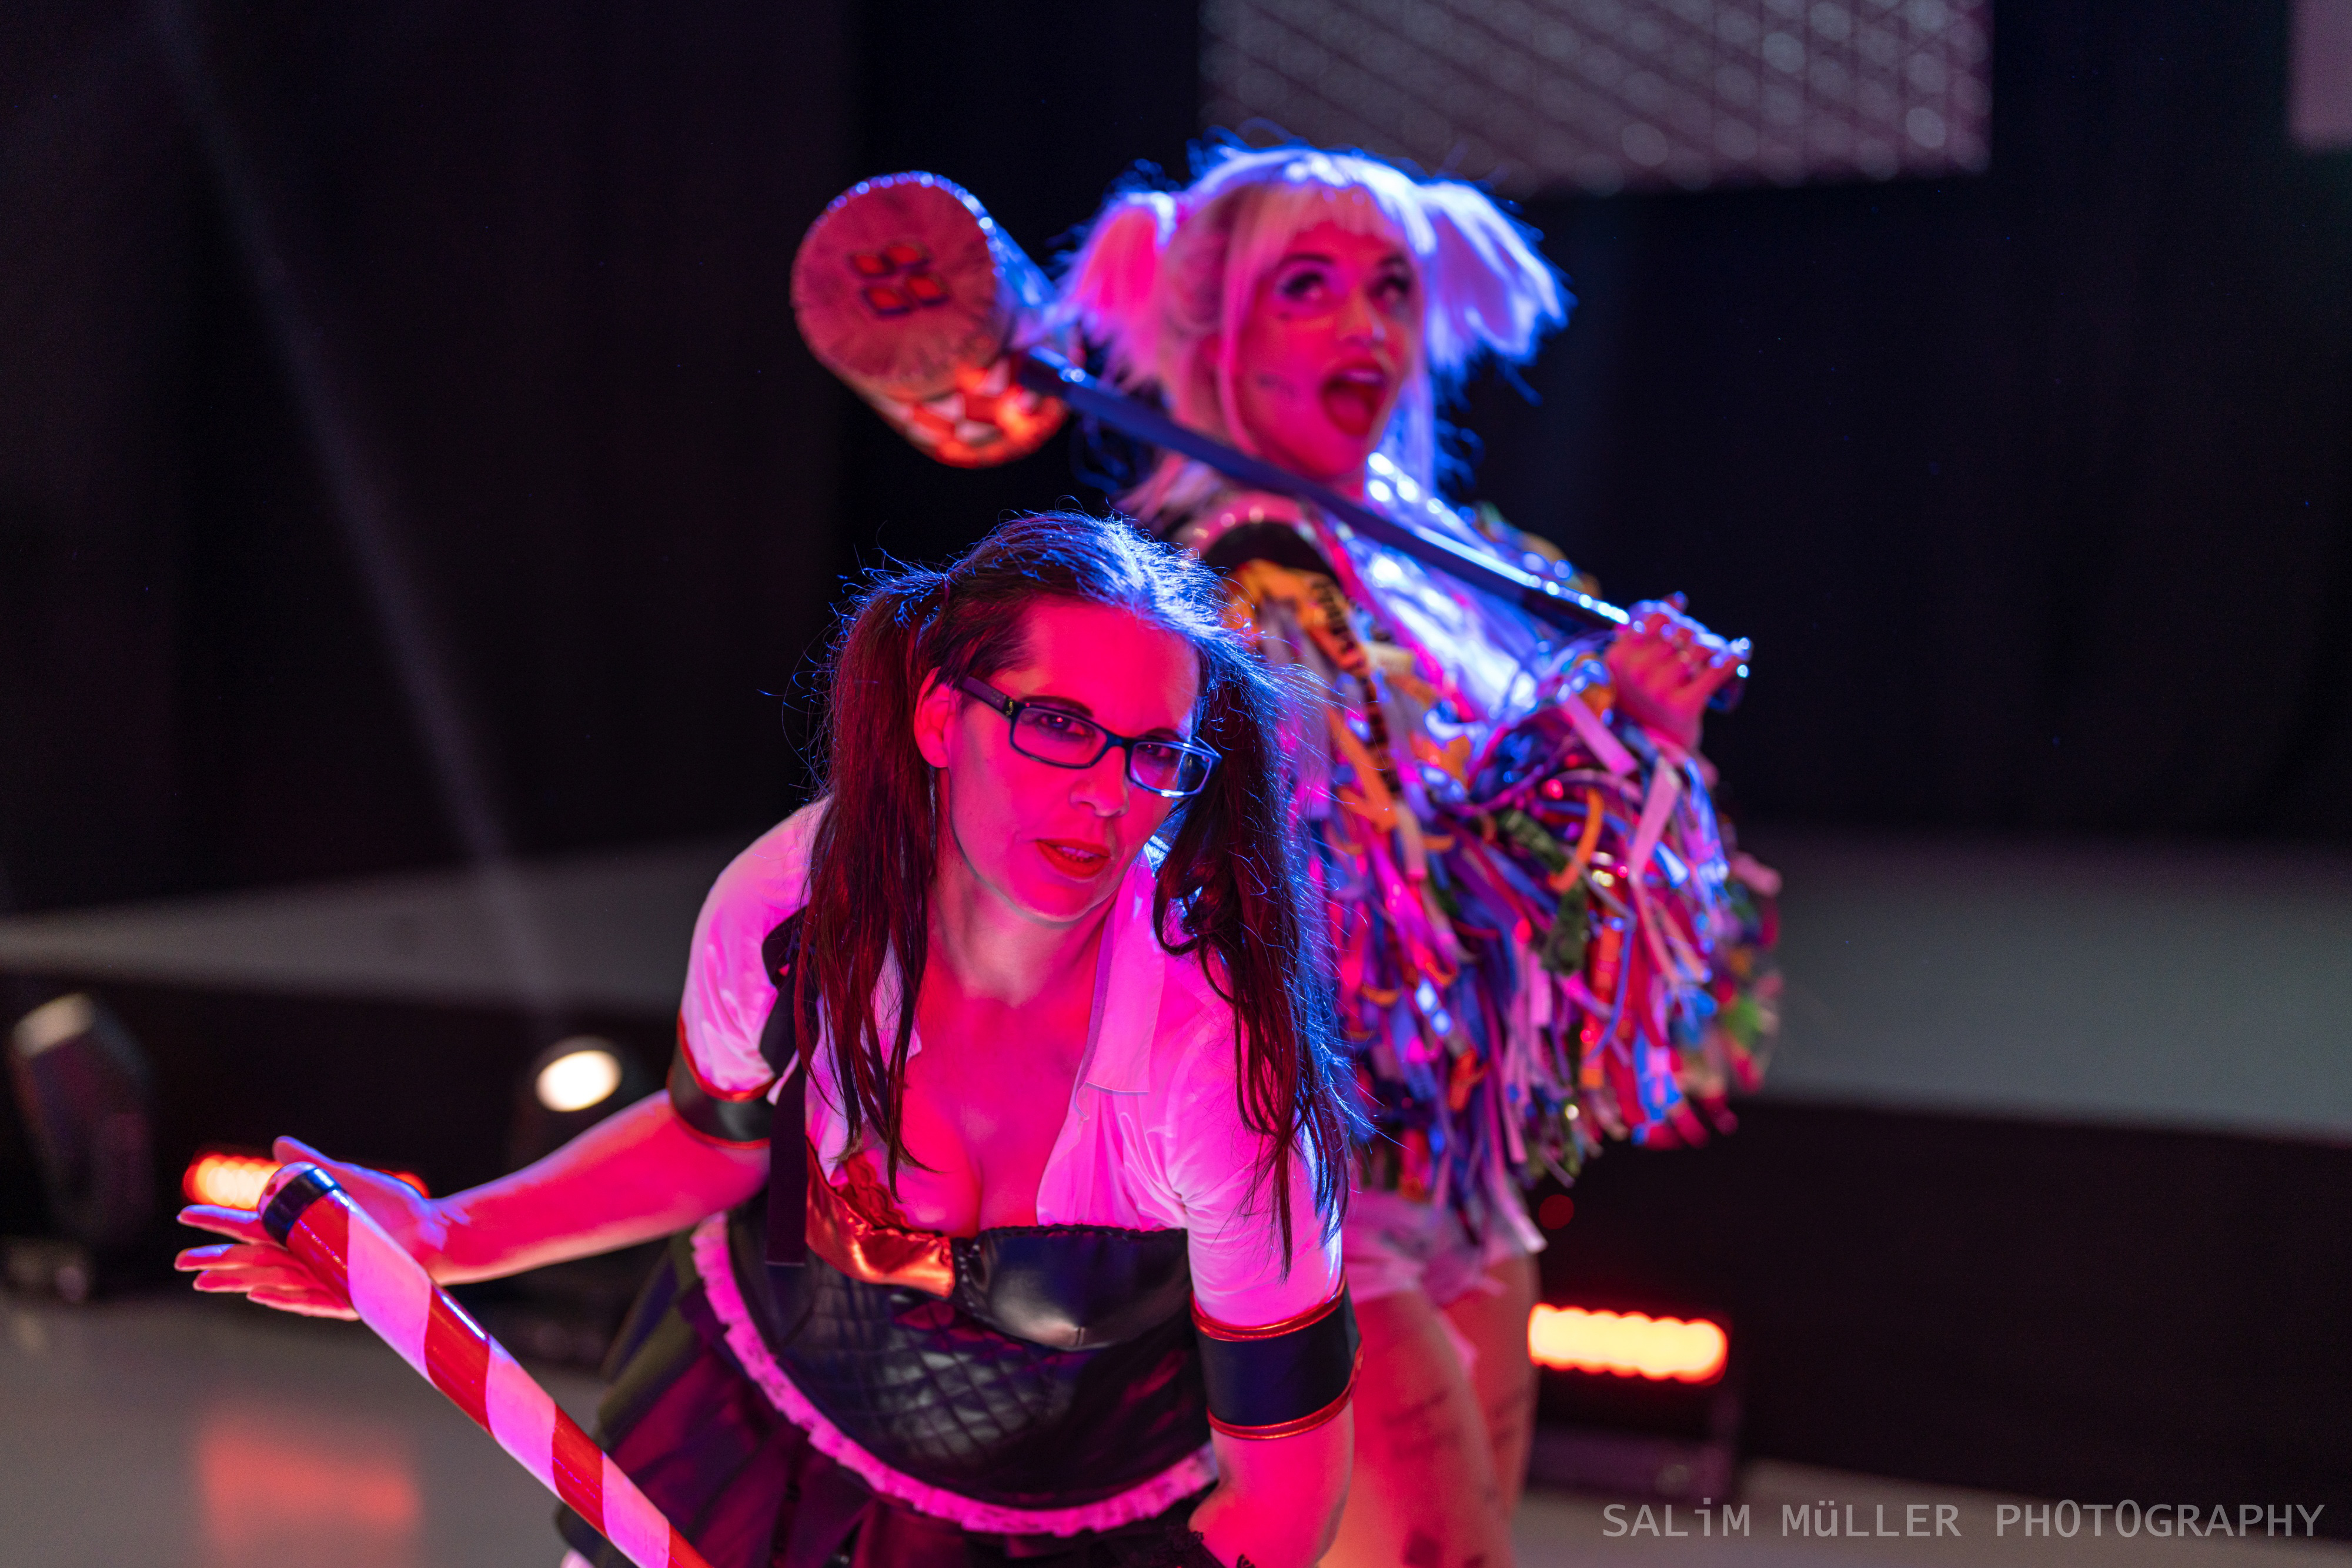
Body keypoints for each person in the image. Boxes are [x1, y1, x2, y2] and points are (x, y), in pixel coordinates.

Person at [176, 510, 1367, 1568]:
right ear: (940, 715)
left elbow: (1283, 1499)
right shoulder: (795, 909)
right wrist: (444, 1235)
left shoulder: (1216, 1067)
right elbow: (714, 1143)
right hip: (764, 1441)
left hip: (1076, 1527)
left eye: (1156, 752)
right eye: (1057, 724)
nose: (1109, 793)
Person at [1058, 145, 1779, 1568]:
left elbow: (1559, 910)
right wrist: (1600, 732)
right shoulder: (1228, 580)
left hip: (1456, 1175)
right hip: (1308, 1181)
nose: (1363, 326)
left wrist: (1641, 731)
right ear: (1214, 326)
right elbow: (1378, 914)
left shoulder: (1456, 559)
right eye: (1305, 287)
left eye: (1389, 287)